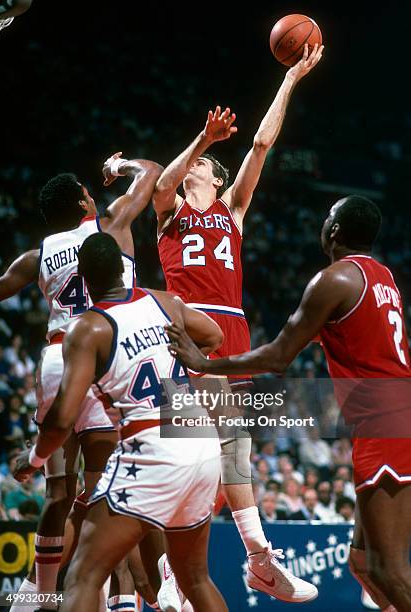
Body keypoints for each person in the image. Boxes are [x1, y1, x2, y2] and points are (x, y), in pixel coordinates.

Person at [166, 195, 410, 611]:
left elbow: (279, 357)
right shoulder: (383, 277)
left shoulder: (333, 280)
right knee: (363, 563)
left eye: (327, 215)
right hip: (393, 415)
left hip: (385, 423)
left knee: (387, 569)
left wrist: (205, 361)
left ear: (333, 231)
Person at [152, 43, 323, 604]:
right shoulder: (173, 211)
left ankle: (245, 564)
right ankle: (234, 564)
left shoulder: (232, 209)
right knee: (207, 452)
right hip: (187, 336)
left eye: (197, 163)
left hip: (232, 335)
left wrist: (292, 78)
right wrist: (200, 139)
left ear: (213, 176)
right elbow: (157, 184)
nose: (189, 166)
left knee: (230, 454)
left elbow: (262, 143)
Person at [14, 232, 226, 612]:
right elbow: (214, 334)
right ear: (122, 270)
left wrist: (32, 459)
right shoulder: (164, 303)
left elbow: (62, 418)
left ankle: (35, 599)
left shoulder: (89, 327)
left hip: (153, 446)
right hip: (198, 437)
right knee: (195, 578)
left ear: (84, 278)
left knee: (84, 573)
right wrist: (192, 361)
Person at [0, 154, 162, 608]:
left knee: (58, 493)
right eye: (89, 191)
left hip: (55, 357)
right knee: (106, 489)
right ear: (82, 202)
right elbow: (152, 173)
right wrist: (121, 166)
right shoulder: (110, 225)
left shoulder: (39, 254)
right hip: (101, 351)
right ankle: (121, 600)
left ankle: (37, 596)